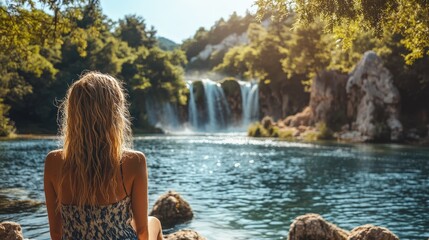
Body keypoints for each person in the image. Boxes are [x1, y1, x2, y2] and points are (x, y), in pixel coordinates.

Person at [44, 71, 163, 240]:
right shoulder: (133, 161)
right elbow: (142, 231)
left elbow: (56, 232)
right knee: (154, 222)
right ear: (115, 114)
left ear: (73, 113)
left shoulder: (54, 161)